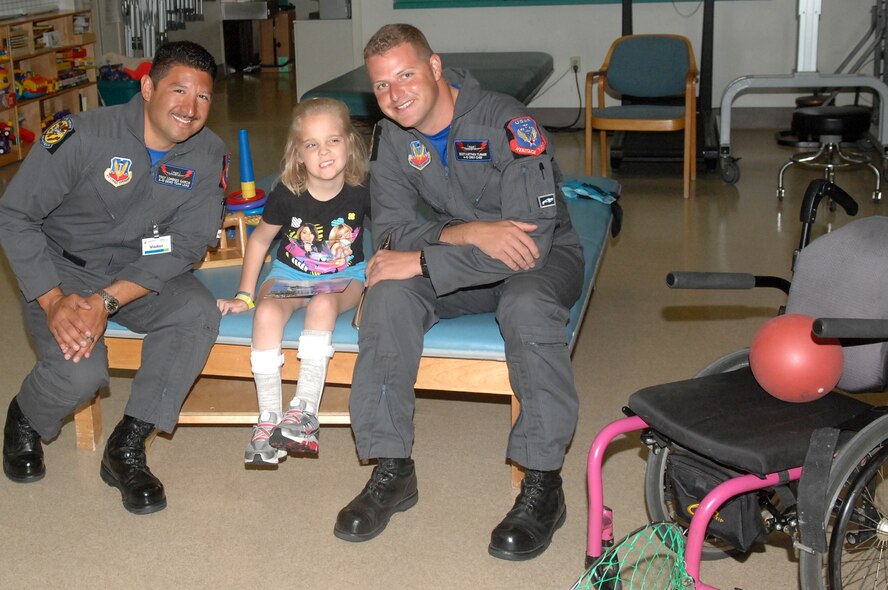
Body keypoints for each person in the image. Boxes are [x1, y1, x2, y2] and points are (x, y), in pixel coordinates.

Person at [333, 24, 585, 562]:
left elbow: (527, 243)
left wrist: (425, 256)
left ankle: (543, 482)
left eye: (405, 75)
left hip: (540, 258)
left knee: (525, 303)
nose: (396, 94)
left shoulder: (508, 122)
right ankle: (391, 468)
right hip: (463, 257)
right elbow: (393, 233)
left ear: (435, 67)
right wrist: (463, 232)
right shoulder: (394, 138)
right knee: (387, 294)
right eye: (381, 85)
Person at [0, 41, 228, 515]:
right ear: (147, 87)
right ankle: (24, 416)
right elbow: (16, 215)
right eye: (178, 90)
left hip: (140, 271)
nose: (190, 109)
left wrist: (107, 301)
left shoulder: (208, 154)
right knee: (80, 375)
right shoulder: (81, 134)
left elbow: (186, 245)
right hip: (62, 269)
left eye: (203, 97)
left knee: (197, 312)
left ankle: (126, 446)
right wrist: (52, 299)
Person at [216, 98, 369, 466]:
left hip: (344, 276)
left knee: (322, 304)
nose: (324, 152)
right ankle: (268, 419)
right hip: (290, 273)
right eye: (312, 145)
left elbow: (396, 229)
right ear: (299, 154)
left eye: (333, 140)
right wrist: (244, 294)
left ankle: (304, 413)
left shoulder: (364, 188)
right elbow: (259, 240)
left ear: (349, 144)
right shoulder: (286, 193)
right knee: (266, 314)